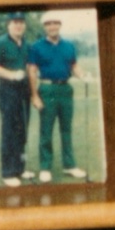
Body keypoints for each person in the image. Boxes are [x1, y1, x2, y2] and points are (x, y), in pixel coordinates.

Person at [26, 15, 86, 183]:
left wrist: (82, 75)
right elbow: (31, 71)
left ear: (60, 25)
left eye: (55, 23)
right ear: (45, 27)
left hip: (66, 89)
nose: (52, 27)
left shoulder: (69, 46)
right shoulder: (36, 47)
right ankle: (45, 167)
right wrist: (35, 95)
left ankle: (70, 165)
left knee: (66, 129)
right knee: (46, 130)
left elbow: (74, 65)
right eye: (48, 24)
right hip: (46, 89)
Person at [0, 13, 32, 187]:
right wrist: (11, 75)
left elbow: (28, 65)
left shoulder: (25, 43)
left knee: (22, 131)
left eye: (21, 23)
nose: (18, 26)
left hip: (24, 91)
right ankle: (8, 172)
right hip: (8, 91)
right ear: (8, 25)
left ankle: (19, 168)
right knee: (9, 131)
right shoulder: (1, 42)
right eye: (15, 23)